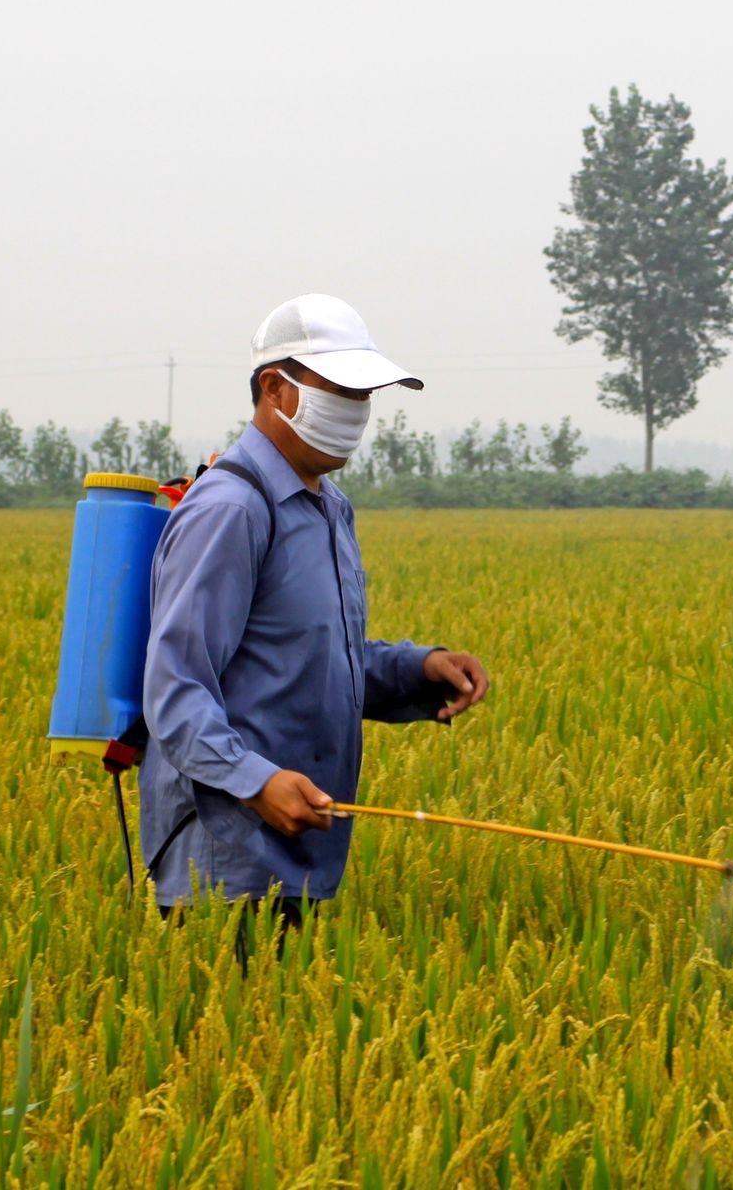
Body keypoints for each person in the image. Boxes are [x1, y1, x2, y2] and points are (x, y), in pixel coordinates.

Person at [138, 293, 490, 947]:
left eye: (364, 395)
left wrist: (419, 669)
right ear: (276, 388)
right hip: (222, 867)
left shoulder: (330, 508)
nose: (355, 410)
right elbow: (174, 690)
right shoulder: (230, 509)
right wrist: (257, 781)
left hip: (301, 855)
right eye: (339, 390)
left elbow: (318, 659)